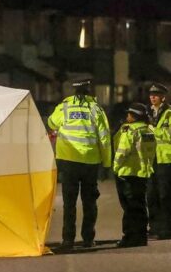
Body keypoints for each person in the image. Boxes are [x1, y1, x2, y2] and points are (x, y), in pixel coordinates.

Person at [48, 78, 111, 250]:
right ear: (89, 91)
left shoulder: (64, 107)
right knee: (89, 202)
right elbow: (104, 138)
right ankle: (88, 238)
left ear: (74, 91)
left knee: (69, 203)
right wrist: (106, 164)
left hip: (68, 161)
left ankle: (68, 240)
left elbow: (51, 122)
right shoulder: (96, 109)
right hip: (90, 162)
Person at [114, 103, 156, 247]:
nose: (127, 117)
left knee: (129, 207)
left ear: (134, 116)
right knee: (141, 206)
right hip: (143, 173)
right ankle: (141, 236)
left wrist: (115, 167)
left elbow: (122, 151)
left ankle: (129, 237)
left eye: (129, 114)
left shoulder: (130, 130)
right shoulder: (149, 130)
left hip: (128, 173)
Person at [146, 82, 171, 239]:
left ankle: (166, 228)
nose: (152, 97)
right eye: (151, 95)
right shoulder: (149, 113)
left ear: (163, 97)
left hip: (166, 160)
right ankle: (154, 227)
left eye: (156, 95)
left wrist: (154, 131)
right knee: (151, 194)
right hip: (151, 159)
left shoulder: (169, 113)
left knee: (165, 195)